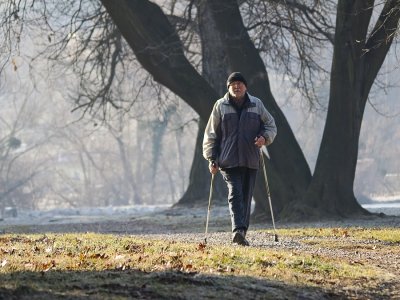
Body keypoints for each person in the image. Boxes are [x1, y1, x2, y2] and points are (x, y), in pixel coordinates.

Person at [202, 72, 277, 246]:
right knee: (235, 193)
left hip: (251, 159)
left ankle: (242, 232)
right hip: (227, 160)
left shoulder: (256, 104)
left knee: (246, 196)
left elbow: (271, 125)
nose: (237, 87)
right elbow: (210, 134)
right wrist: (211, 158)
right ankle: (237, 230)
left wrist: (264, 138)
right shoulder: (220, 106)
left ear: (246, 86)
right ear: (228, 87)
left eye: (240, 84)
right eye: (233, 84)